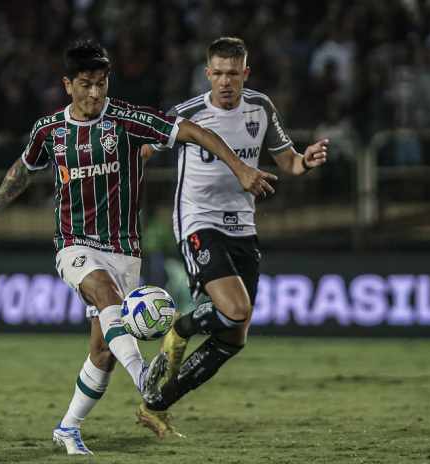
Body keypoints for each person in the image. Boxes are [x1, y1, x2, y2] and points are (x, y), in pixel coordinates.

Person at [0, 39, 278, 455]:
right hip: (74, 244)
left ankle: (67, 427)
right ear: (67, 85)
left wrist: (239, 166)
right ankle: (144, 375)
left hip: (124, 250)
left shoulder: (129, 121)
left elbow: (193, 131)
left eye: (100, 83)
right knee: (105, 295)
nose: (94, 93)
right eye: (85, 84)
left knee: (102, 350)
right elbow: (24, 168)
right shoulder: (49, 130)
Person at [136, 37, 329, 438]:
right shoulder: (187, 113)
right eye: (218, 74)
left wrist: (305, 163)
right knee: (237, 309)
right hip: (197, 222)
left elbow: (288, 161)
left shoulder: (260, 107)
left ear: (246, 73)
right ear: (208, 74)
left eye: (233, 74)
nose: (226, 82)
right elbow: (144, 151)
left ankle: (156, 404)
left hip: (243, 226)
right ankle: (181, 327)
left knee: (234, 336)